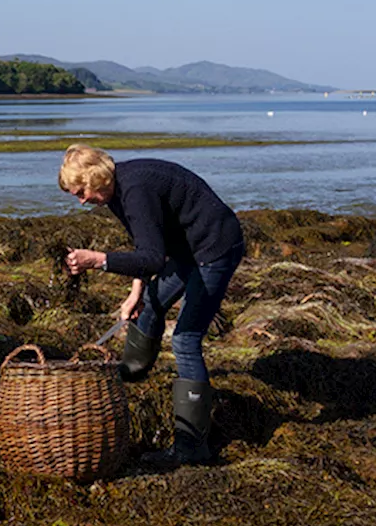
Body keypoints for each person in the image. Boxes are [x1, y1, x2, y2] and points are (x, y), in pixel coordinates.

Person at [59, 145, 244, 467]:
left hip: (215, 248)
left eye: (81, 192)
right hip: (187, 250)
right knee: (149, 302)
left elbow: (152, 258)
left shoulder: (136, 189)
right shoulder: (116, 191)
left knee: (185, 340)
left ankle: (191, 447)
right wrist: (135, 295)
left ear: (96, 178)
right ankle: (132, 374)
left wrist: (99, 260)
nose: (81, 201)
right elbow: (145, 248)